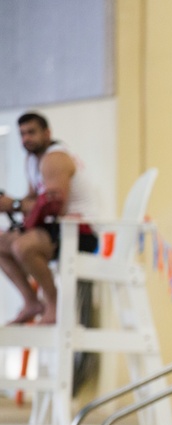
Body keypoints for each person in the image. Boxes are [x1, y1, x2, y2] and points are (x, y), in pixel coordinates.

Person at [0, 111, 100, 325]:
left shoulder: (55, 159)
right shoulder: (32, 160)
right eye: (23, 134)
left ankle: (54, 304)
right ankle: (31, 301)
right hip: (55, 229)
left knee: (23, 246)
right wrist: (10, 204)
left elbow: (53, 206)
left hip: (79, 232)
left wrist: (15, 205)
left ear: (47, 133)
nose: (27, 138)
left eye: (32, 132)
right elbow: (31, 201)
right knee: (1, 242)